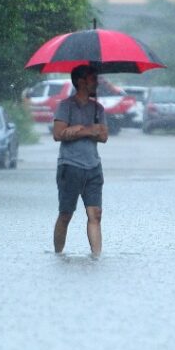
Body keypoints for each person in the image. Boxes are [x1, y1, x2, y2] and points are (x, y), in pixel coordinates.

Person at [52, 63, 108, 256]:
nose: (97, 83)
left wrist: (77, 130)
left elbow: (103, 136)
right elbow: (58, 134)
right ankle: (58, 255)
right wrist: (88, 130)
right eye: (93, 79)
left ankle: (96, 257)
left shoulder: (98, 109)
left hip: (93, 167)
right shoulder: (65, 106)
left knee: (96, 215)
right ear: (81, 82)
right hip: (70, 166)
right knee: (66, 214)